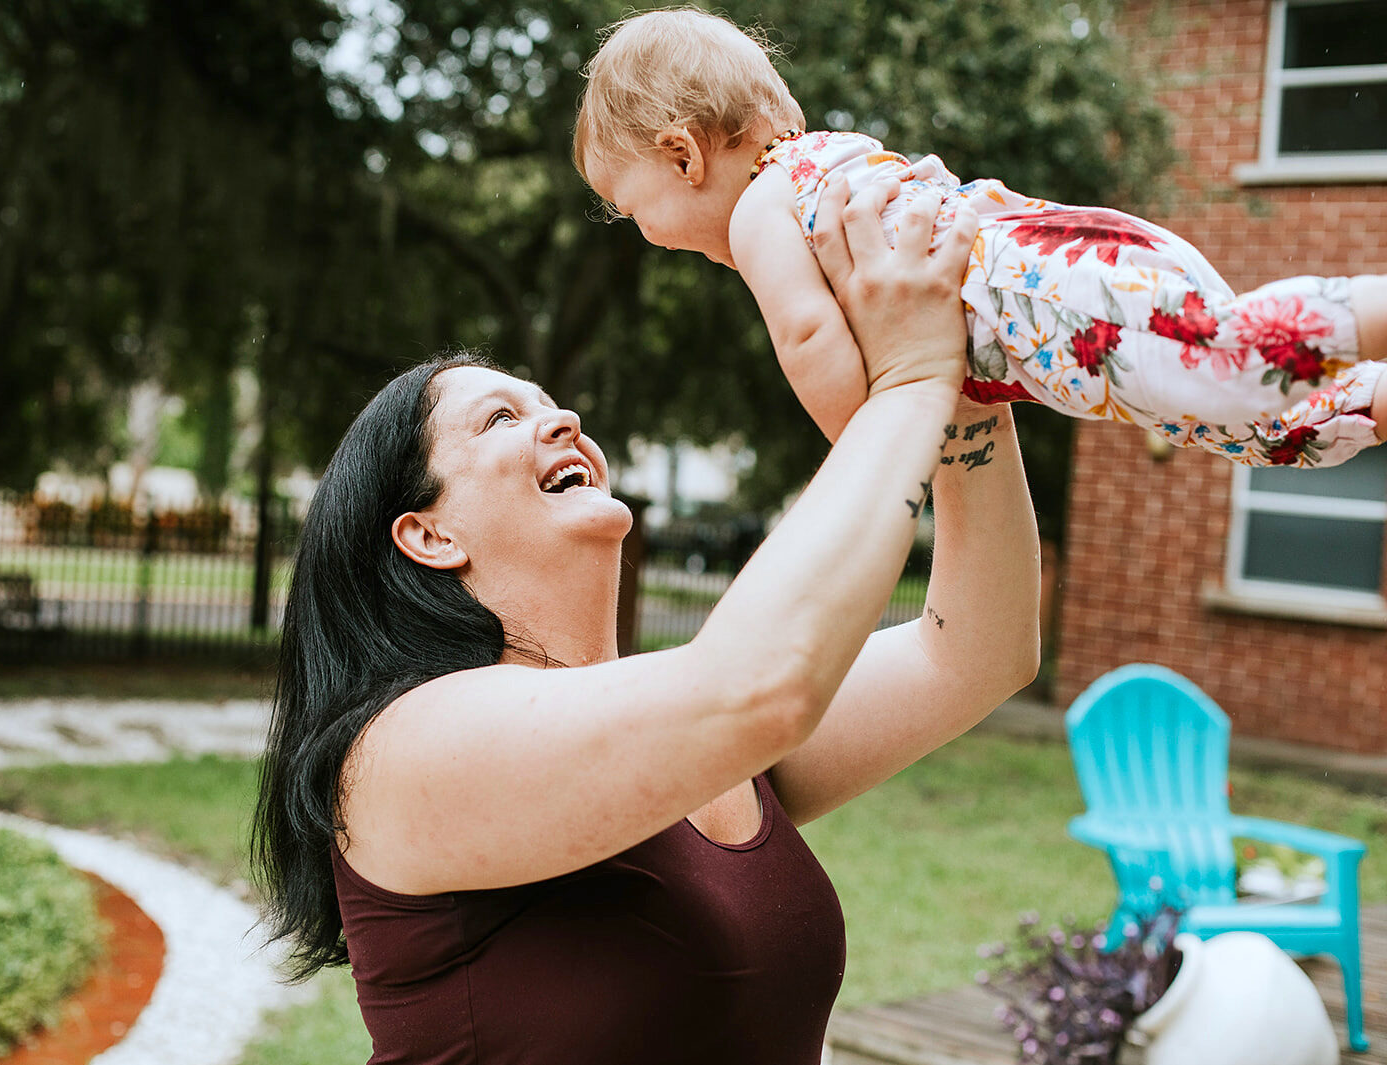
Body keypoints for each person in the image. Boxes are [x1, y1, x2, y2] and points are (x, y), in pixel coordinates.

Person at [251, 179, 1040, 1064]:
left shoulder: (690, 734)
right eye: (503, 417)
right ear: (428, 533)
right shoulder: (405, 751)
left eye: (551, 400)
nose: (566, 419)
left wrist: (970, 386)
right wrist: (906, 383)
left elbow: (975, 648)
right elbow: (756, 686)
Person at [573, 7, 1387, 469]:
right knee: (1253, 424)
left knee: (1233, 363)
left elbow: (807, 331)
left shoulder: (760, 207)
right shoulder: (829, 164)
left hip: (1043, 285)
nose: (643, 235)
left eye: (629, 207)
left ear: (683, 154)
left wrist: (868, 448)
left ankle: (1369, 309)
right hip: (1064, 268)